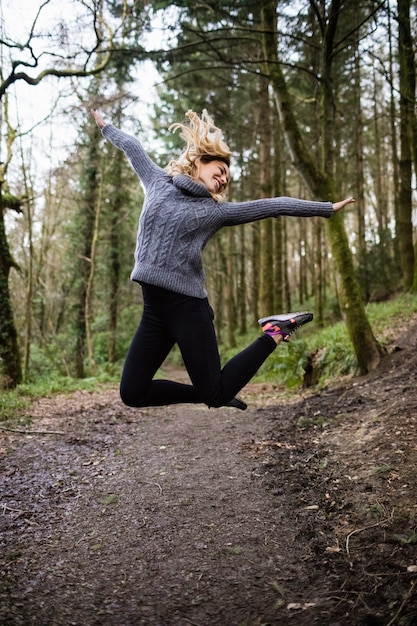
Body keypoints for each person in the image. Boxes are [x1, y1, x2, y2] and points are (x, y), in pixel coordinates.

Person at [92, 108, 355, 410]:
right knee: (133, 393)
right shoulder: (157, 182)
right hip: (154, 310)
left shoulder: (215, 212)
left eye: (226, 178)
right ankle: (201, 393)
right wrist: (106, 127)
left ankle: (274, 331)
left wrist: (326, 208)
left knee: (215, 396)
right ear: (200, 161)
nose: (222, 178)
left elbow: (275, 205)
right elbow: (132, 146)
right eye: (219, 170)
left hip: (187, 308)